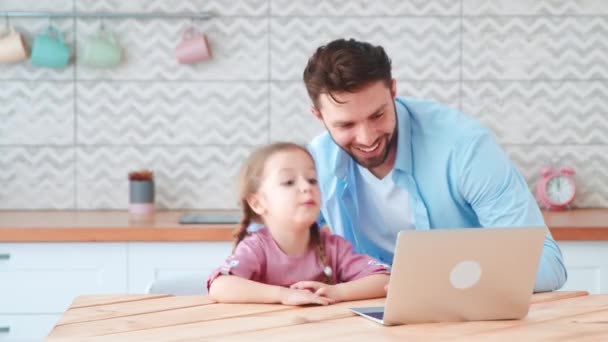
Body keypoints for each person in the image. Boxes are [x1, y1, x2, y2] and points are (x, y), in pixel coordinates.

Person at [303, 38, 567, 293]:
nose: (367, 137)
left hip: (467, 309)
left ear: (393, 91)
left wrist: (442, 284)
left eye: (378, 115)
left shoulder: (464, 147)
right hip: (363, 314)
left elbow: (547, 263)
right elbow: (266, 247)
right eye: (346, 125)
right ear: (318, 116)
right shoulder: (315, 163)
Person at [207, 142, 390, 305]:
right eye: (288, 182)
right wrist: (282, 295)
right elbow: (219, 285)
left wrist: (338, 291)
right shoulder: (256, 248)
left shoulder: (333, 247)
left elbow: (383, 279)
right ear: (257, 203)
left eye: (312, 180)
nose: (306, 187)